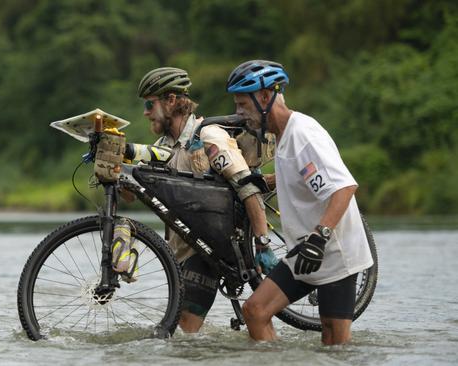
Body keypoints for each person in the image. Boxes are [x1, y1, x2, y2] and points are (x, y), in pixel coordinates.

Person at [225, 60, 374, 344]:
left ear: (265, 97)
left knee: (334, 342)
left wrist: (319, 238)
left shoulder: (303, 136)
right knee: (255, 311)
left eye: (243, 105)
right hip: (306, 251)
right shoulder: (283, 135)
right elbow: (304, 175)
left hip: (332, 252)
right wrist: (267, 181)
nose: (240, 114)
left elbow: (343, 187)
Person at [135, 67, 276, 332]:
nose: (145, 112)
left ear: (171, 101)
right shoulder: (163, 148)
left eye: (149, 104)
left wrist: (263, 243)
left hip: (208, 250)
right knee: (182, 336)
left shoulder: (208, 135)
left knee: (184, 331)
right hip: (183, 252)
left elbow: (246, 186)